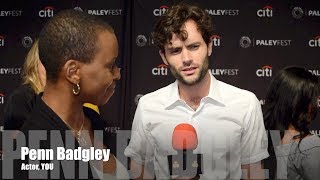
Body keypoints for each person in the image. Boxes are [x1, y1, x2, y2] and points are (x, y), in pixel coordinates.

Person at [124, 3, 269, 180]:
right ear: (164, 57)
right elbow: (140, 173)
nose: (186, 59)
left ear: (209, 46)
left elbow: (253, 175)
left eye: (193, 47)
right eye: (176, 50)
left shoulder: (245, 104)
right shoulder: (148, 106)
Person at [13, 9, 128, 179]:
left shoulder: (93, 122)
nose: (117, 74)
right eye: (110, 66)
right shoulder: (33, 150)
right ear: (73, 72)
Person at [3, 40, 100, 131]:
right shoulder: (21, 99)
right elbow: (12, 146)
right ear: (35, 65)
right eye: (46, 61)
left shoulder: (83, 103)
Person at [263, 66, 320, 180]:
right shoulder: (311, 145)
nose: (316, 103)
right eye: (313, 98)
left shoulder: (257, 139)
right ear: (299, 102)